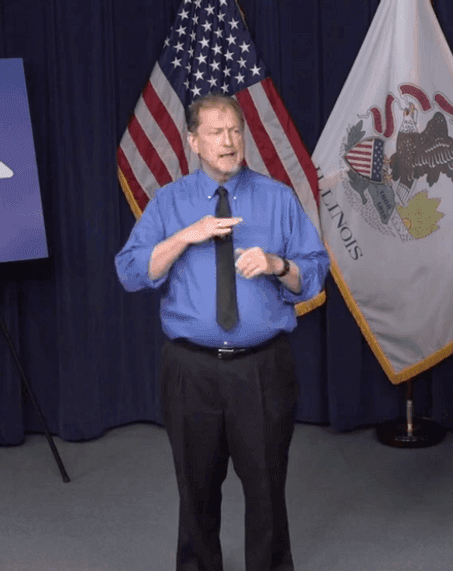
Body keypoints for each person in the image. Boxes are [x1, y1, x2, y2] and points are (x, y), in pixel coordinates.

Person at [115, 93, 329, 571]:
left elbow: (314, 274)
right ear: (194, 141)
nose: (228, 142)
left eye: (234, 130)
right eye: (215, 132)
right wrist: (184, 237)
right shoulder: (169, 202)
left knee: (268, 490)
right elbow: (130, 272)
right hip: (191, 371)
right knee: (196, 493)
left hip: (263, 369)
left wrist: (277, 264)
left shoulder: (277, 198)